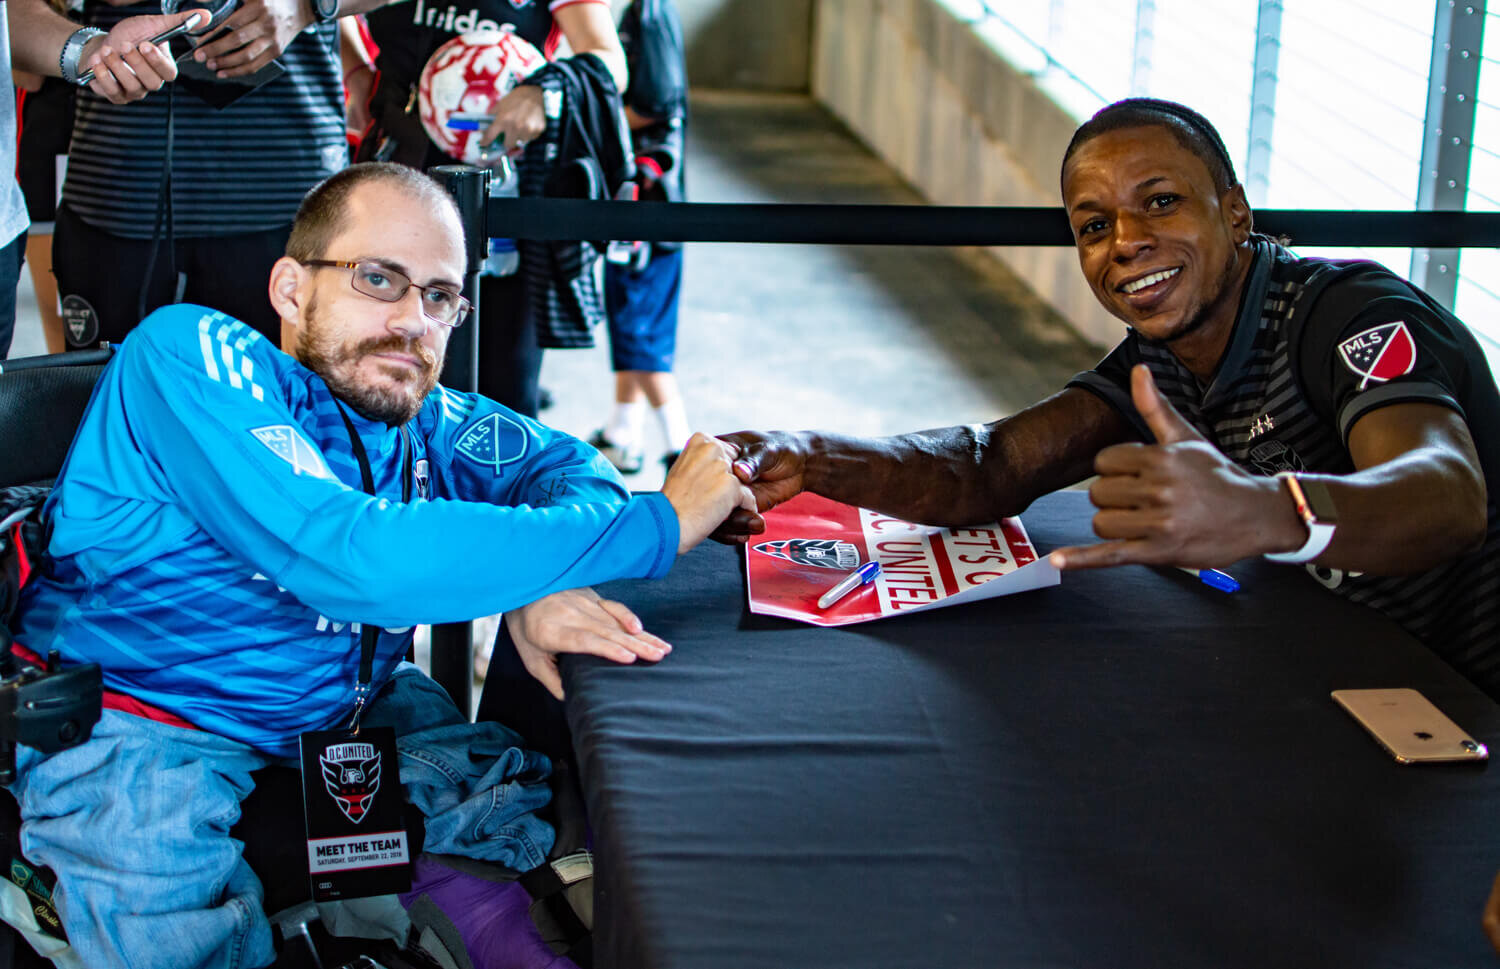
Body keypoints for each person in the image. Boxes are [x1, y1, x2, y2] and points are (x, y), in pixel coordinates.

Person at [8, 161, 751, 968]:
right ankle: (50, 885)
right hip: (142, 728)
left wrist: (548, 581)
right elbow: (349, 553)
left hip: (342, 719)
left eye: (439, 296)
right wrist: (661, 525)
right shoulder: (190, 357)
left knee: (530, 807)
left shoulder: (422, 415)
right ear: (292, 289)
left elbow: (574, 471)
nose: (412, 321)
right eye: (378, 279)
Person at [719, 97, 1500, 700]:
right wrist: (813, 457)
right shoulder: (1161, 363)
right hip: (1358, 681)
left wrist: (1267, 510)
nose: (1125, 240)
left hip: (1473, 694)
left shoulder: (1351, 313)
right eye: (1095, 225)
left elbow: (1446, 496)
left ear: (1234, 212)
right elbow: (989, 466)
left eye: (1161, 202)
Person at [360, 0, 628, 417]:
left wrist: (545, 88)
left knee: (503, 395)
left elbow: (610, 62)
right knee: (382, 382)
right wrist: (354, 71)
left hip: (506, 203)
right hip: (392, 187)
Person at [0, 0, 196, 358]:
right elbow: (25, 71)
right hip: (82, 168)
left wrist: (94, 51)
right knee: (80, 375)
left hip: (7, 220)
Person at [589, 0, 692, 475]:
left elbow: (654, 101)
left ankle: (684, 447)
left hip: (646, 210)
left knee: (641, 331)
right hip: (644, 209)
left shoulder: (648, 16)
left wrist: (588, 115)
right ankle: (621, 433)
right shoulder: (644, 14)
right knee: (630, 324)